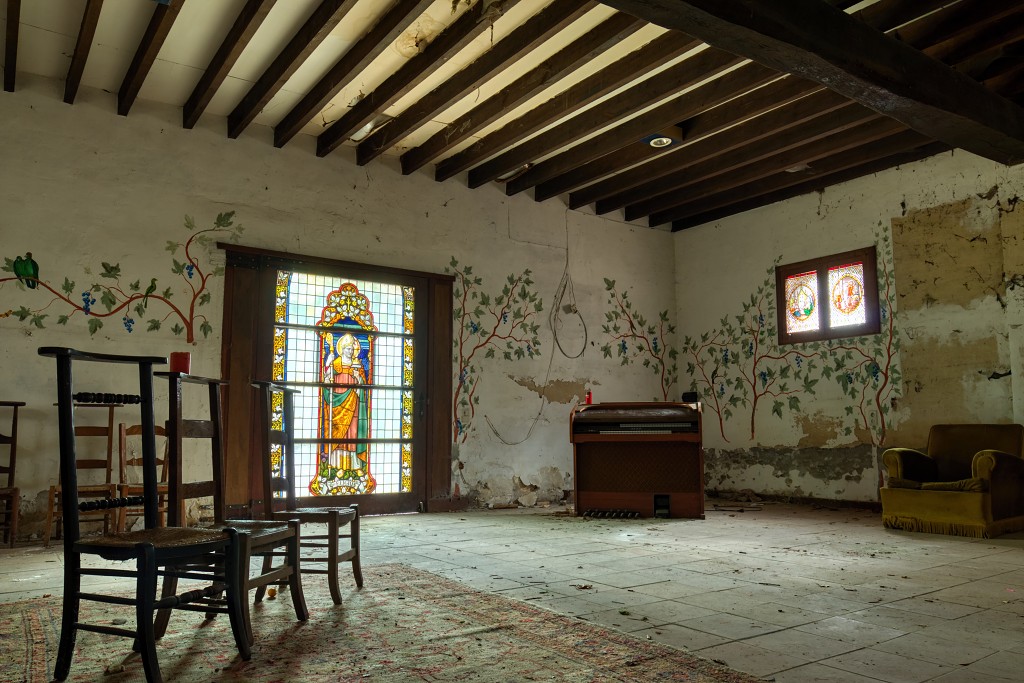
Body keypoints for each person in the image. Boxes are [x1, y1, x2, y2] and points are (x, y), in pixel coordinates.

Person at [322, 333, 368, 472]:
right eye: (348, 348)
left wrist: (358, 378)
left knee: (353, 433)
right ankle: (339, 466)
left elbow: (363, 385)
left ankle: (355, 466)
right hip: (338, 403)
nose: (351, 351)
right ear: (342, 349)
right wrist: (327, 364)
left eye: (352, 349)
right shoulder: (336, 363)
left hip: (354, 402)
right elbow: (326, 380)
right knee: (340, 435)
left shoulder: (357, 365)